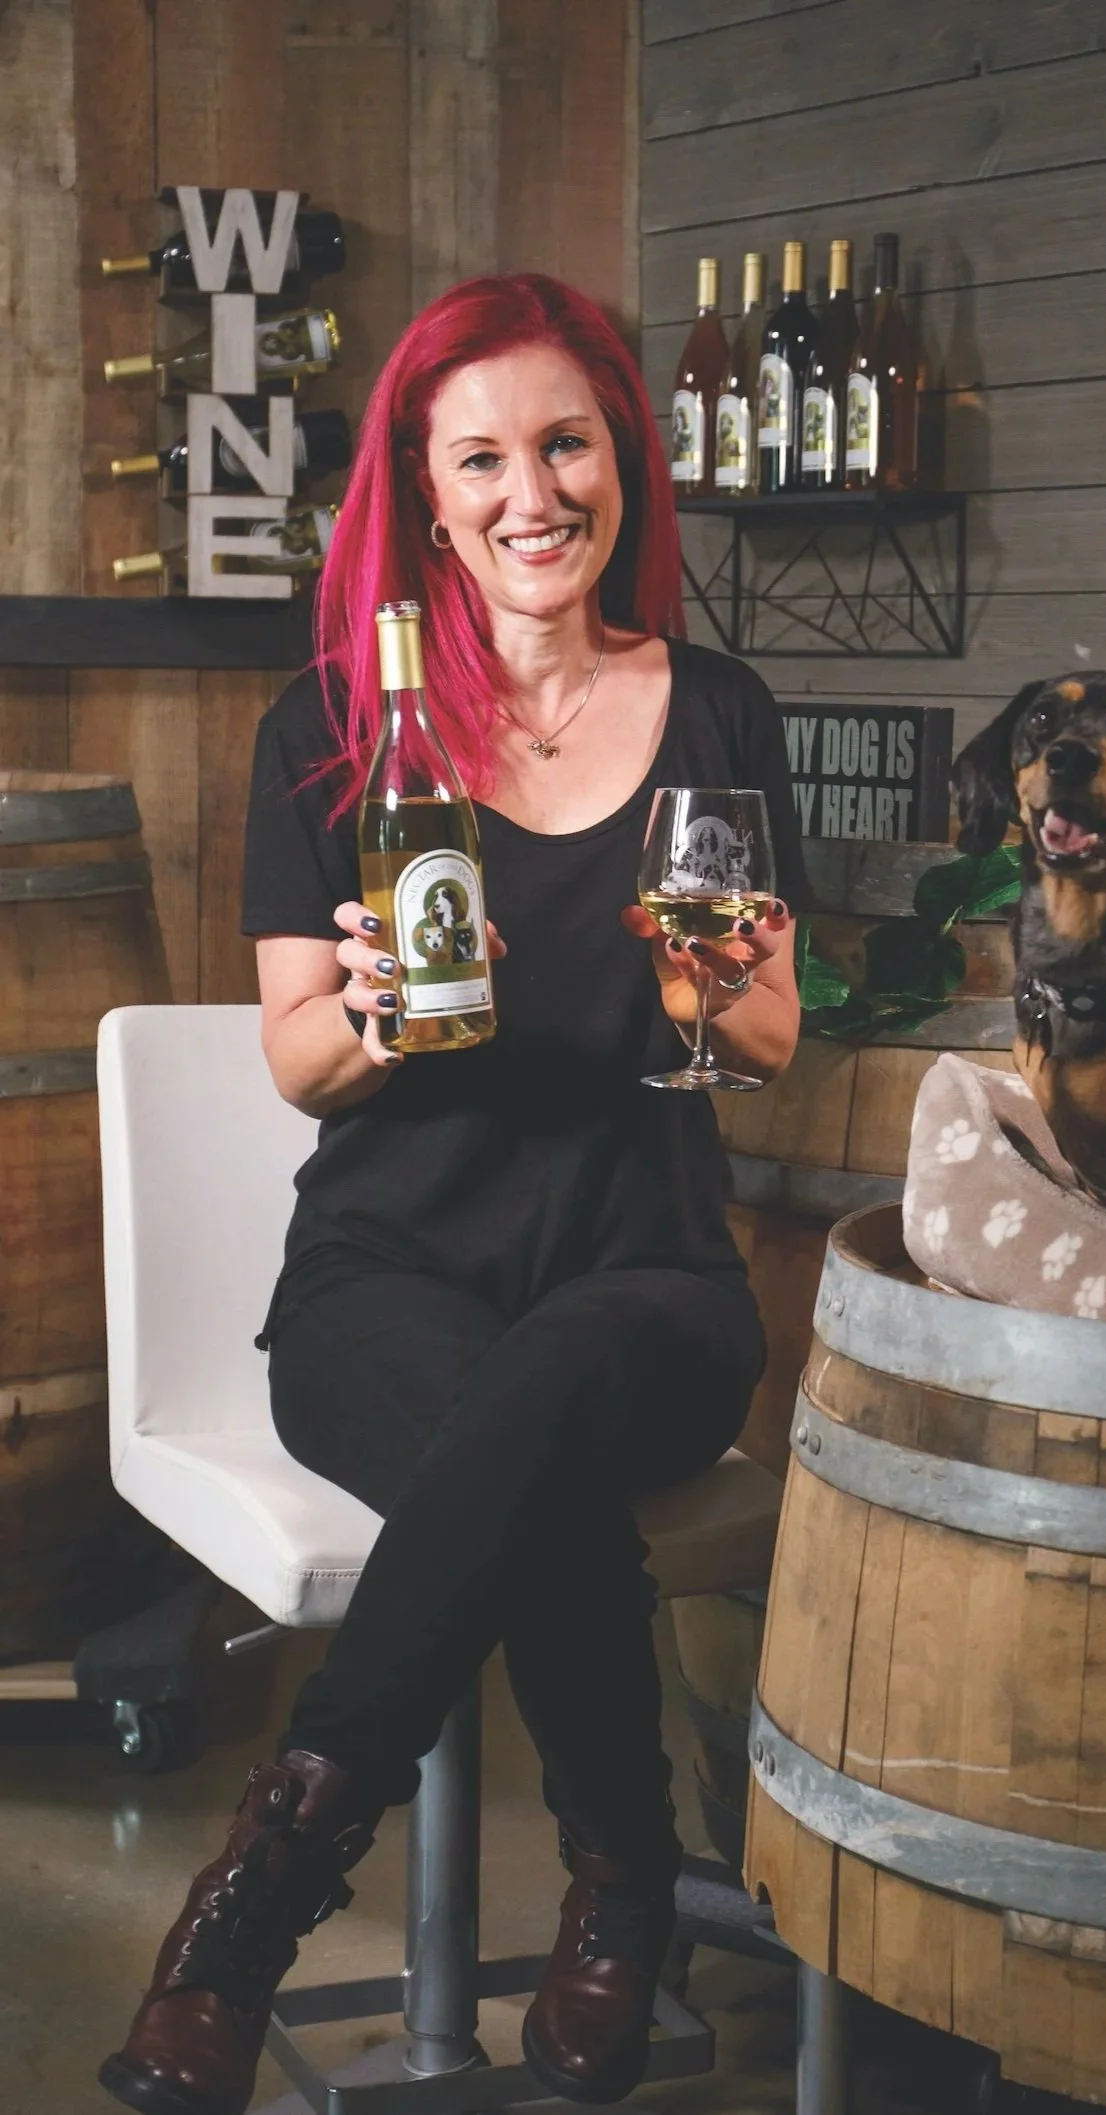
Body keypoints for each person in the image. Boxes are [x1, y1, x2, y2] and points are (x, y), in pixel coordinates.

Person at [100, 273, 807, 2115]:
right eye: (480, 456)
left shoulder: (719, 709)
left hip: (646, 1276)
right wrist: (376, 1007)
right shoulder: (344, 727)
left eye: (564, 443)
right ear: (429, 493)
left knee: (553, 1390)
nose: (530, 491)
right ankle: (624, 1876)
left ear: (622, 465)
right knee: (530, 1451)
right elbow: (295, 1061)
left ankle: (239, 1926)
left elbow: (775, 1035)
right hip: (383, 1275)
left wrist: (706, 993)